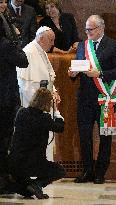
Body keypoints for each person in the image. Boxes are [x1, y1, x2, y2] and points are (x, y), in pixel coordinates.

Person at [68, 15, 116, 184]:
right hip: (85, 99)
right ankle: (87, 171)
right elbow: (78, 66)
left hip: (105, 99)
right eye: (85, 29)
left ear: (101, 28)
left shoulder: (114, 46)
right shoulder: (83, 46)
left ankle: (100, 172)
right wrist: (73, 74)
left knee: (105, 137)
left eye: (90, 29)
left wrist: (100, 73)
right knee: (84, 137)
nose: (87, 32)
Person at [8, 87, 65, 199]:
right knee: (60, 171)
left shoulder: (21, 113)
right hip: (34, 163)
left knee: (28, 192)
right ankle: (37, 184)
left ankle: (27, 186)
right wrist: (56, 110)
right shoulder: (45, 118)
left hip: (15, 163)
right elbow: (60, 128)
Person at [16, 26, 59, 162]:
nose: (53, 44)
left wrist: (54, 92)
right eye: (51, 40)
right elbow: (25, 84)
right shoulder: (29, 52)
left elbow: (48, 77)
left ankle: (44, 168)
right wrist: (42, 100)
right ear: (41, 39)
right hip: (34, 108)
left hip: (44, 105)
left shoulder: (41, 51)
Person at [0, 0, 29, 192]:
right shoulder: (5, 44)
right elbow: (23, 60)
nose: (3, 5)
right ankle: (4, 179)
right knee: (4, 139)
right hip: (4, 96)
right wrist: (15, 41)